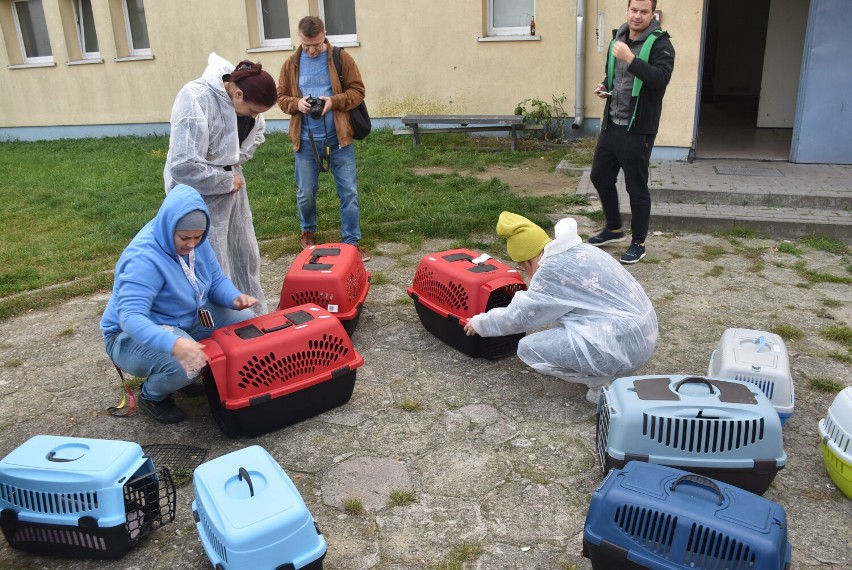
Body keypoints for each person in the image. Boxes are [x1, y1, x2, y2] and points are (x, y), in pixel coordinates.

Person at [100, 185, 258, 424]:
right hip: (127, 335)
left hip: (186, 317)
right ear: (168, 227)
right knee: (185, 363)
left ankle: (185, 376)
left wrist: (233, 297)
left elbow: (215, 280)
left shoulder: (196, 239)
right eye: (185, 238)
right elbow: (130, 318)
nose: (192, 244)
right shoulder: (142, 259)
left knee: (246, 323)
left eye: (197, 237)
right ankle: (152, 395)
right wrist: (174, 343)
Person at [464, 212, 659, 404]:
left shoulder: (553, 270)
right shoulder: (581, 250)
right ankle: (609, 369)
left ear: (527, 260)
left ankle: (603, 384)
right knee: (560, 324)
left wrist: (481, 323)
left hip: (620, 346)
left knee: (528, 349)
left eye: (523, 268)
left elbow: (520, 317)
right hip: (643, 337)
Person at [164, 53, 277, 316]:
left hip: (233, 187)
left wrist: (233, 169)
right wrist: (223, 180)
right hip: (198, 194)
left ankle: (253, 317)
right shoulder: (196, 97)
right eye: (252, 110)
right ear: (237, 95)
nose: (254, 116)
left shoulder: (245, 103)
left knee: (244, 253)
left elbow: (255, 132)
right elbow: (182, 165)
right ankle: (215, 322)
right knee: (209, 261)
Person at [588, 0, 675, 264]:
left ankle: (638, 243)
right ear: (627, 11)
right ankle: (613, 228)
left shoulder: (661, 44)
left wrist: (631, 59)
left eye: (644, 11)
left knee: (636, 188)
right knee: (600, 176)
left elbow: (660, 79)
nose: (637, 16)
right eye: (634, 10)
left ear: (652, 14)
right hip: (612, 124)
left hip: (638, 130)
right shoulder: (619, 38)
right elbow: (613, 75)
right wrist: (604, 85)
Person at [277, 16, 370, 262]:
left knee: (348, 193)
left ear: (325, 35)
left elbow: (358, 91)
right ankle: (307, 232)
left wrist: (333, 102)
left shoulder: (340, 58)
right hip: (306, 142)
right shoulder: (291, 64)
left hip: (339, 139)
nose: (311, 50)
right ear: (300, 38)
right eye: (307, 45)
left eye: (316, 44)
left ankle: (351, 242)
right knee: (305, 193)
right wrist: (297, 103)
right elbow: (281, 97)